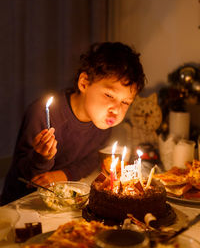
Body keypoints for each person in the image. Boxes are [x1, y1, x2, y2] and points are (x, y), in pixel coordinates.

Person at [1, 42, 146, 205]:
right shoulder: (43, 114)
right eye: (109, 95)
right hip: (22, 205)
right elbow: (25, 174)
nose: (116, 110)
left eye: (126, 102)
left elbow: (92, 159)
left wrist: (64, 174)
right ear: (84, 83)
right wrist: (41, 157)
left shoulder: (103, 123)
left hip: (64, 201)